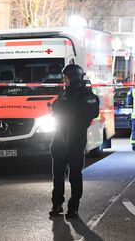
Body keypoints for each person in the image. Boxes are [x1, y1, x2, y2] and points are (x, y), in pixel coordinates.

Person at [49, 64, 100, 218]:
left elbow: (88, 116)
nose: (64, 81)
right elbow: (58, 113)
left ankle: (73, 206)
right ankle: (57, 204)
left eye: (66, 78)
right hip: (60, 138)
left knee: (74, 175)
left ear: (73, 77)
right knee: (58, 174)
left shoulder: (84, 95)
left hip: (75, 140)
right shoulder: (63, 94)